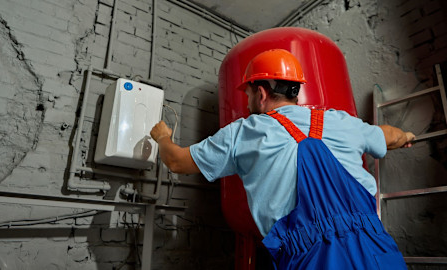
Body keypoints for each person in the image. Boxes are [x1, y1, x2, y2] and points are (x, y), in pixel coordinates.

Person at [150, 49, 414, 269]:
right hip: (379, 250)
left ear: (261, 93)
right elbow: (389, 136)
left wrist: (163, 137)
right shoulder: (341, 120)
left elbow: (176, 162)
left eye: (248, 94)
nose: (248, 101)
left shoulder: (244, 132)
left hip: (313, 260)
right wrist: (406, 135)